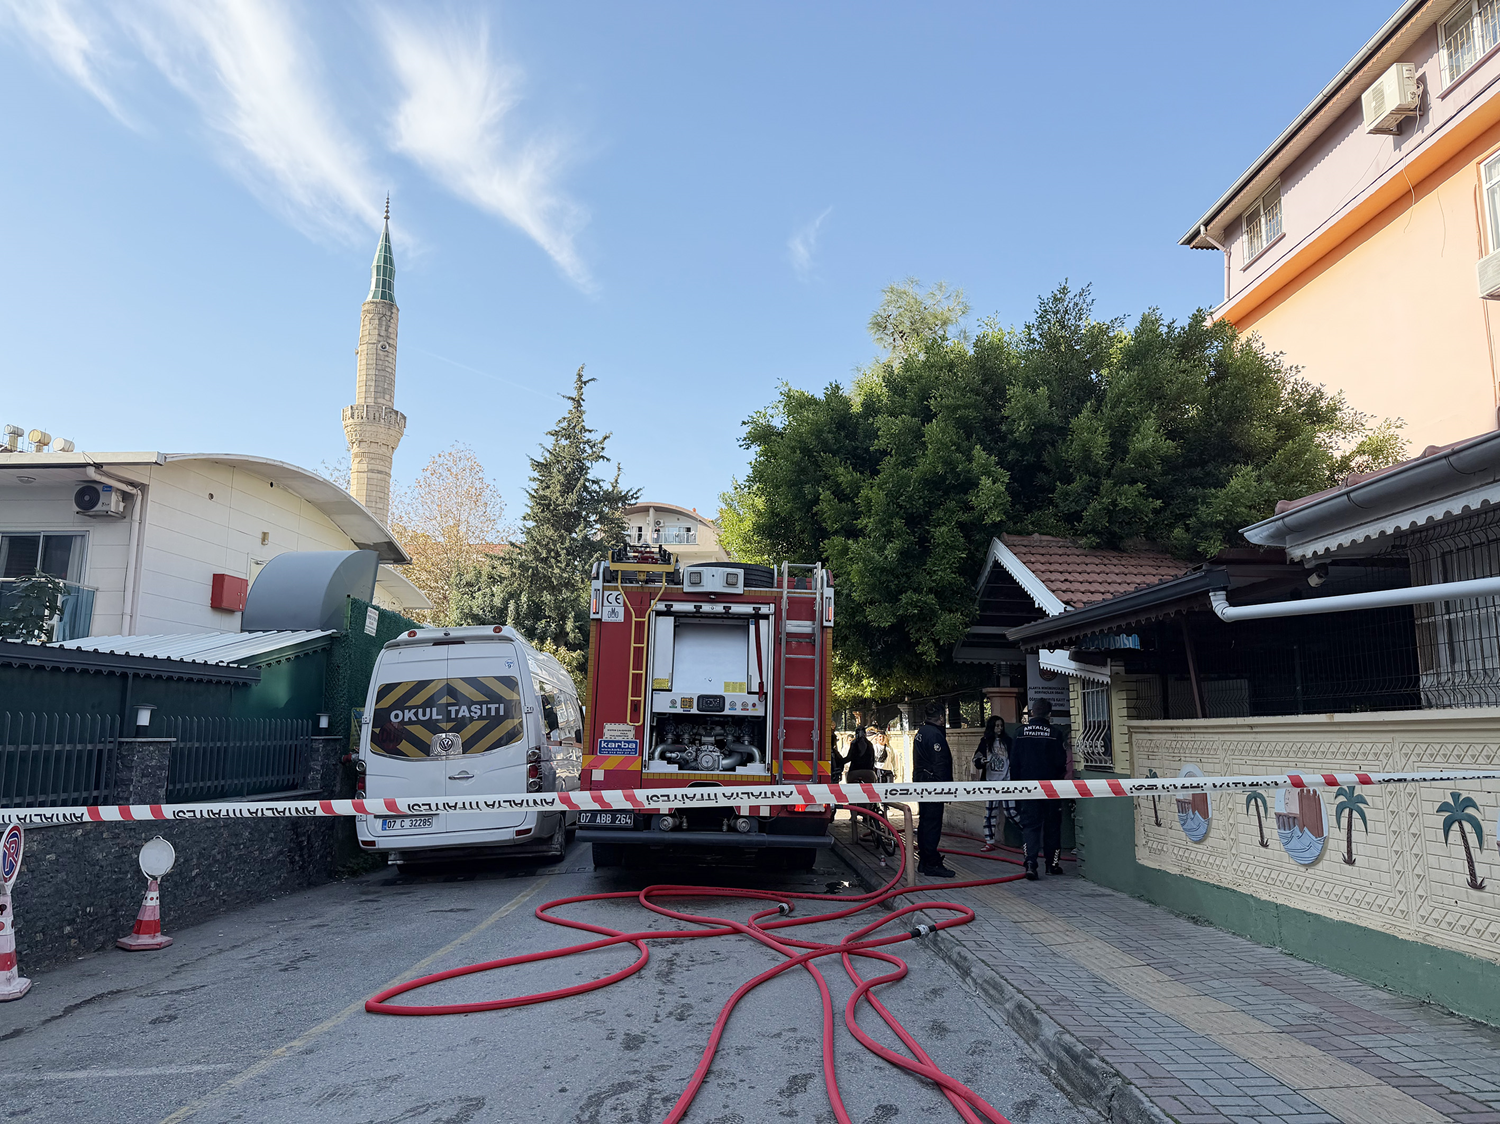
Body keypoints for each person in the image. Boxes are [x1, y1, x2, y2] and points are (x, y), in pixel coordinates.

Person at [1007, 697, 1069, 880]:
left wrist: (1017, 787)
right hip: (1051, 788)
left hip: (1027, 788)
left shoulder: (1020, 733)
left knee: (1030, 827)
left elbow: (1014, 763)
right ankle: (1052, 864)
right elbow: (1061, 763)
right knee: (1052, 827)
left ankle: (1030, 864)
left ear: (1032, 712)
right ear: (1049, 715)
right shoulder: (1055, 734)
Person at [911, 703, 956, 878]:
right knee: (932, 824)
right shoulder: (935, 735)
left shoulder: (921, 732)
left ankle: (925, 860)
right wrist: (945, 788)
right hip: (933, 785)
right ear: (941, 717)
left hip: (922, 783)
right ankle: (931, 863)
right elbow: (940, 763)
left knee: (925, 822)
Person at [970, 715, 1013, 851]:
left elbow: (1014, 759)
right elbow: (976, 759)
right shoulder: (985, 742)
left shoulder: (1008, 742)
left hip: (1006, 782)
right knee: (989, 813)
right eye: (996, 726)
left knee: (1011, 811)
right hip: (990, 782)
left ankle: (1027, 834)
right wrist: (982, 761)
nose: (999, 728)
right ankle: (989, 841)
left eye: (1001, 726)